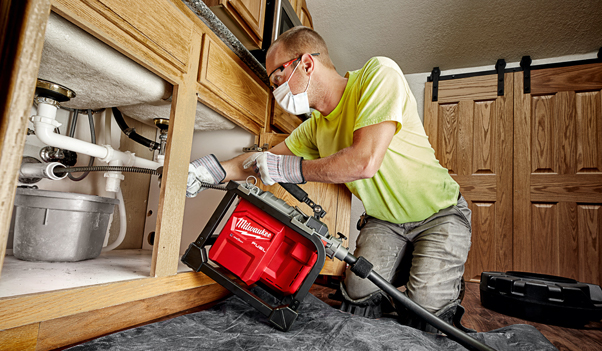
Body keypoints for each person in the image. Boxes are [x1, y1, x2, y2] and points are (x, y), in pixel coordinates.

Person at [187, 26, 472, 332]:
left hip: (440, 213)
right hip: (385, 221)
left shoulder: (378, 75)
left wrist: (290, 169)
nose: (276, 91)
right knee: (358, 298)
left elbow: (364, 162)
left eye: (277, 79)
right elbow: (259, 162)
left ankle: (434, 283)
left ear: (307, 64)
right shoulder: (314, 129)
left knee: (427, 314)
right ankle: (409, 272)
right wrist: (209, 170)